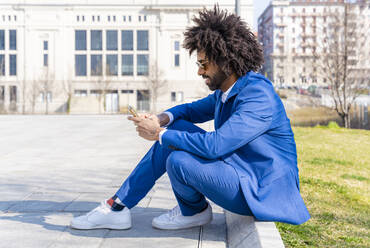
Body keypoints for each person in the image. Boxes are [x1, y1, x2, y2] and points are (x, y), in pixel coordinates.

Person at [70, 5, 310, 231]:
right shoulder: (227, 92)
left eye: (204, 64)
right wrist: (160, 120)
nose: (199, 71)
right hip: (240, 173)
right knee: (177, 128)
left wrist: (158, 134)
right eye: (199, 63)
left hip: (262, 189)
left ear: (226, 61)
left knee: (178, 159)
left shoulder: (258, 95)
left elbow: (216, 146)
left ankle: (191, 211)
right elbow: (188, 111)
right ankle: (119, 206)